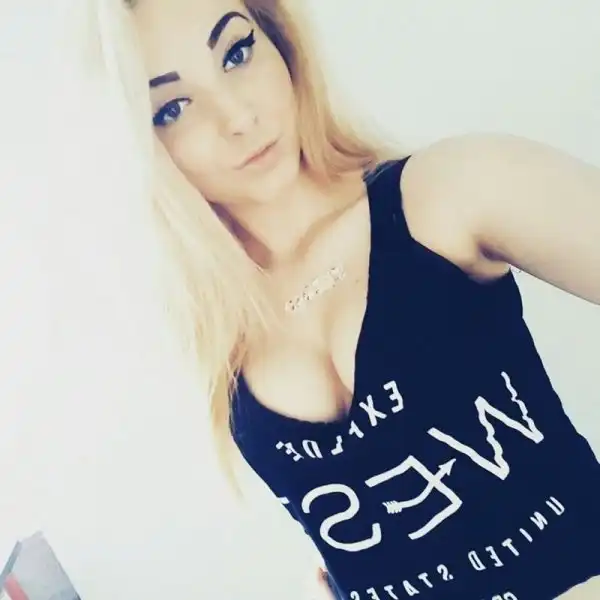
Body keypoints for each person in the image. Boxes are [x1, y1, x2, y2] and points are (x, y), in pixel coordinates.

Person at [113, 0, 600, 598]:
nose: (237, 116)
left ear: (280, 43)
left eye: (236, 53)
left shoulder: (449, 193)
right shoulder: (219, 333)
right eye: (172, 108)